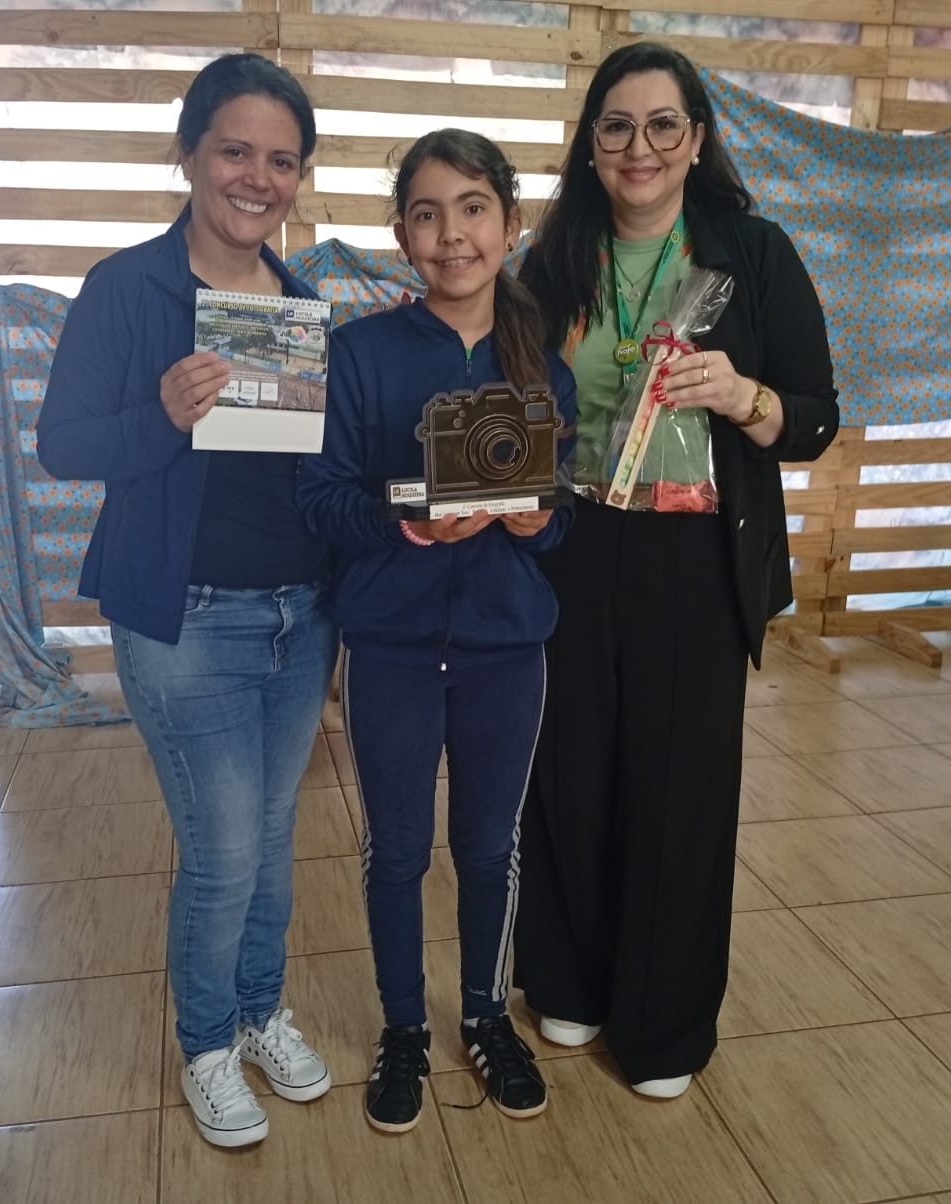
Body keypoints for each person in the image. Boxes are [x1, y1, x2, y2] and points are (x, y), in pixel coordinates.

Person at [514, 41, 840, 1098]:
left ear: (696, 140)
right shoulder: (551, 260)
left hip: (695, 555)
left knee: (678, 787)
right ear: (590, 145)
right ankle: (567, 977)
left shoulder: (752, 252)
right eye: (616, 125)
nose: (639, 146)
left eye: (663, 125)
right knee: (567, 769)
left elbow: (815, 417)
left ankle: (663, 1025)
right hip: (568, 546)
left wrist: (744, 396)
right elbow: (505, 397)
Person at [35, 54, 337, 1149]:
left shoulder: (300, 307)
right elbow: (62, 444)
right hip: (186, 617)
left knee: (272, 834)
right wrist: (160, 414)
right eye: (235, 151)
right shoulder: (129, 289)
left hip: (299, 615)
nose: (258, 178)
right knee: (223, 849)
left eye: (281, 161)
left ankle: (260, 1013)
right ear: (190, 154)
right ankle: (207, 1042)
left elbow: (312, 473)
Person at [297, 129, 576, 1134]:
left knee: (491, 847)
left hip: (506, 649)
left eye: (472, 208)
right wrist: (406, 520)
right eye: (426, 213)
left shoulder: (544, 368)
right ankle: (404, 1027)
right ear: (402, 234)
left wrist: (539, 524)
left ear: (509, 223)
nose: (451, 234)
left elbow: (562, 519)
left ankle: (485, 1016)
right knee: (398, 852)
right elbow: (320, 499)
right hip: (395, 646)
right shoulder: (360, 354)